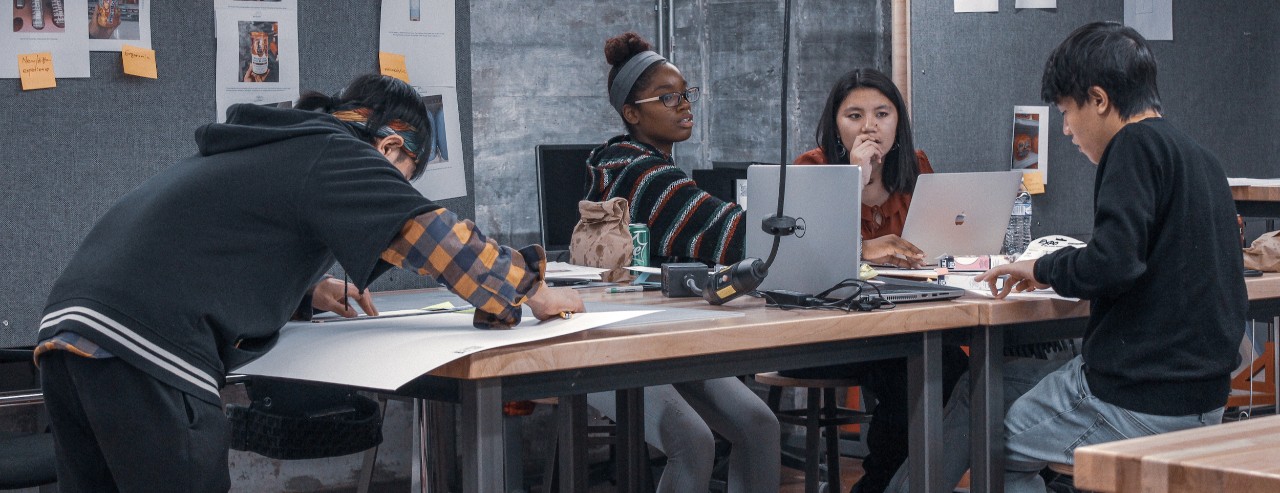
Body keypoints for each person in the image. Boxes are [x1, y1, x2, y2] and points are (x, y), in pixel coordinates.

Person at [35, 74, 584, 492]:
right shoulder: (337, 150)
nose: (397, 192)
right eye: (406, 178)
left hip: (69, 334)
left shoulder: (272, 143)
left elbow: (208, 242)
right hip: (147, 345)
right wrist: (533, 288)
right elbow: (435, 236)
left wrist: (306, 290)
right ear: (391, 148)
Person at [890, 21, 1248, 493]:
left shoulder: (1132, 147)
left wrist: (1040, 268)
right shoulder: (1202, 158)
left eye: (1066, 111)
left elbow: (1113, 264)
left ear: (1098, 100)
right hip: (1202, 396)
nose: (1065, 130)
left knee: (990, 445)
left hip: (1136, 396)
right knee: (1005, 389)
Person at [580, 32, 780, 493]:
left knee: (759, 427)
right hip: (608, 345)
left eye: (686, 92)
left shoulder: (647, 165)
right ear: (632, 113)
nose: (684, 104)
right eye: (667, 97)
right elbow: (725, 230)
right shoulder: (638, 172)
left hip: (661, 337)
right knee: (692, 441)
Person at [784, 68, 969, 493]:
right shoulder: (812, 169)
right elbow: (805, 261)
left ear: (898, 121)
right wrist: (855, 179)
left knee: (949, 371)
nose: (870, 126)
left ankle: (898, 483)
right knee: (915, 372)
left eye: (882, 114)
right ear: (834, 123)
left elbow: (936, 245)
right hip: (827, 331)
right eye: (854, 115)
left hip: (904, 324)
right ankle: (881, 484)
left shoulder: (917, 168)